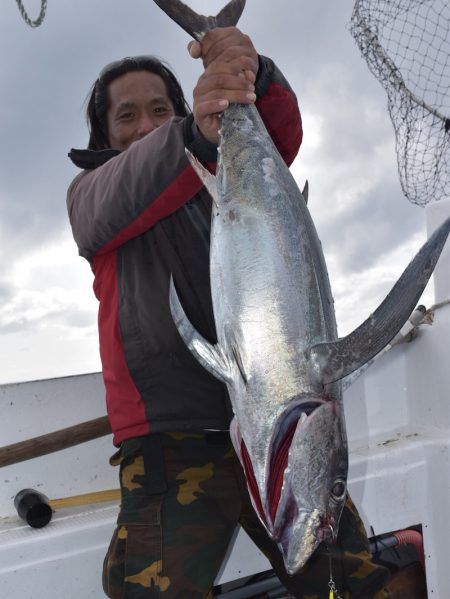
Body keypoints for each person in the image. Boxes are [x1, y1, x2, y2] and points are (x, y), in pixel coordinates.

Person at [67, 27, 391, 599]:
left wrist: (251, 74)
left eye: (160, 110)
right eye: (127, 116)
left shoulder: (218, 180)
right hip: (174, 443)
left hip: (281, 409)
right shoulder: (94, 196)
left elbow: (280, 139)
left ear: (182, 110)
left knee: (354, 582)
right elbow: (130, 185)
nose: (145, 125)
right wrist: (190, 131)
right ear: (103, 134)